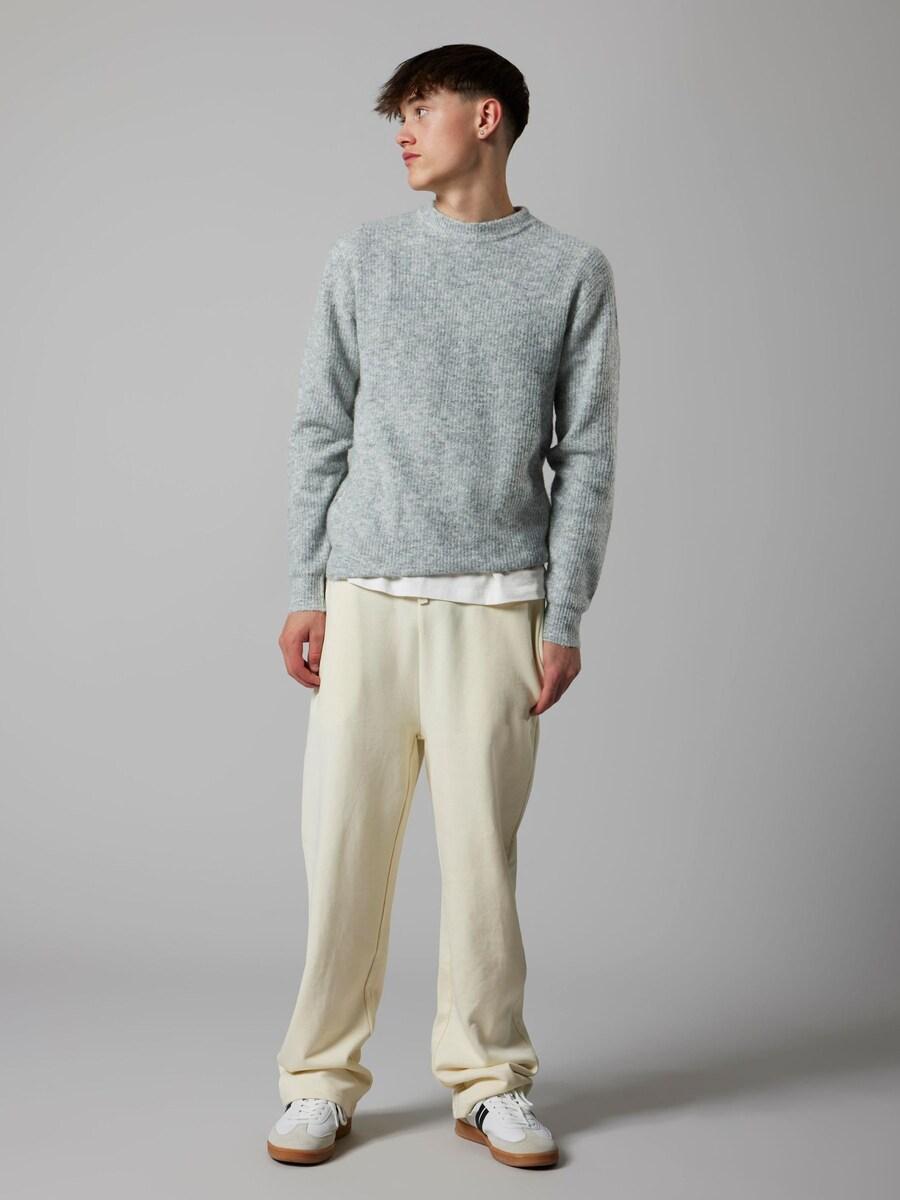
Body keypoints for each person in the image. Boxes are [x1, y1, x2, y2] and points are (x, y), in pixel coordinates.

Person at [267, 42, 620, 1170]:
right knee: (342, 854)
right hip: (366, 596)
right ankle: (318, 1081)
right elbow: (320, 428)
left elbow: (588, 456)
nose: (404, 133)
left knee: (480, 866)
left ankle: (489, 1079)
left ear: (488, 116)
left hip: (498, 607)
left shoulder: (570, 271)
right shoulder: (364, 258)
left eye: (421, 110)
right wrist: (306, 586)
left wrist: (565, 613)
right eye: (399, 115)